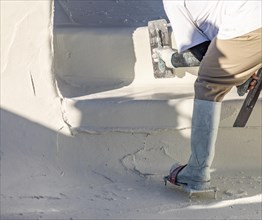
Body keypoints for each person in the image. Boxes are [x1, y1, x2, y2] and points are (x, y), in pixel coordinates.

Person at [153, 0, 262, 190]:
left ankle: (196, 172)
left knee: (209, 84)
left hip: (249, 24)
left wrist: (170, 58)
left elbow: (201, 53)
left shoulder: (173, 3)